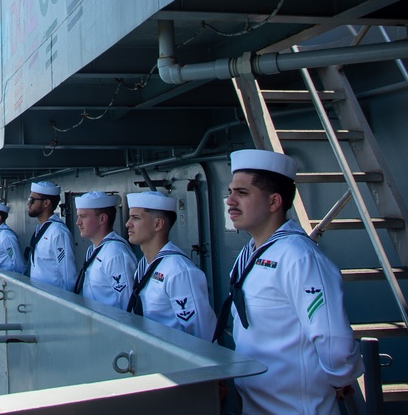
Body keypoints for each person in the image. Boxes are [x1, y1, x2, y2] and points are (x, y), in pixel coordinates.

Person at [218, 149, 362, 414]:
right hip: (256, 403)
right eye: (230, 192)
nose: (230, 201)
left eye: (242, 192)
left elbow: (333, 337)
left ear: (274, 202)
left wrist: (340, 378)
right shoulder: (250, 252)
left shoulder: (299, 257)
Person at [125, 191, 216, 341]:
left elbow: (202, 332)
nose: (128, 223)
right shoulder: (145, 265)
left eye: (136, 217)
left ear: (158, 224)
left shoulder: (179, 271)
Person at [72, 191, 136, 310]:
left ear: (102, 219)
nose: (78, 222)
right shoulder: (93, 250)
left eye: (83, 216)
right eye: (78, 216)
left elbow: (128, 305)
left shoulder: (115, 254)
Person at [24, 182, 78, 290]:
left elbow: (68, 274)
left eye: (32, 200)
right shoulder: (41, 229)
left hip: (55, 300)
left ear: (46, 203)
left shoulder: (58, 232)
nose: (28, 204)